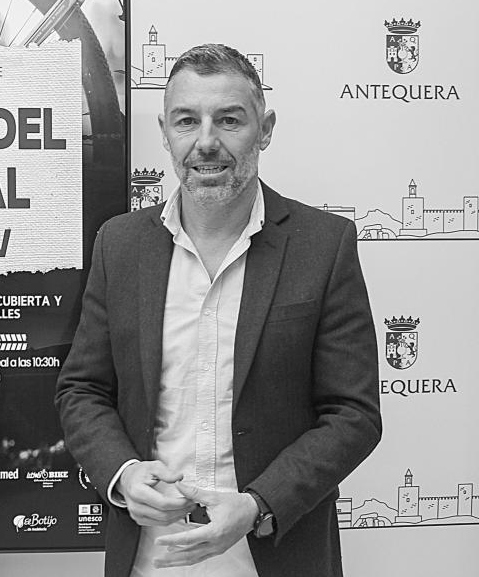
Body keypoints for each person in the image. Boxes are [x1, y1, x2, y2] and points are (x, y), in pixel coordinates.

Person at [55, 44, 381, 577]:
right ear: (165, 132)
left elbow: (353, 414)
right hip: (148, 559)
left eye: (229, 120)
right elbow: (82, 389)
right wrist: (123, 473)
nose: (206, 142)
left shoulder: (324, 246)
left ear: (265, 129)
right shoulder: (120, 244)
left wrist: (258, 505)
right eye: (187, 121)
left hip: (276, 553)